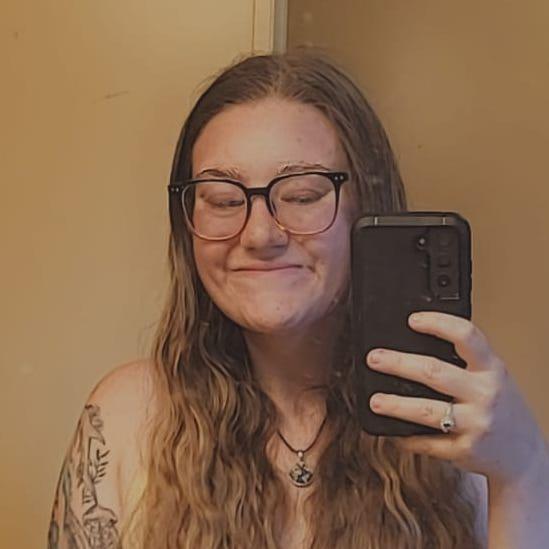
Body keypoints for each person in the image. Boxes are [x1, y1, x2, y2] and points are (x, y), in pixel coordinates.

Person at [48, 51, 548, 549]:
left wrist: (524, 473)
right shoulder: (126, 418)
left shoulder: (462, 433)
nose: (260, 234)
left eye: (303, 196)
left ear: (365, 211)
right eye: (223, 200)